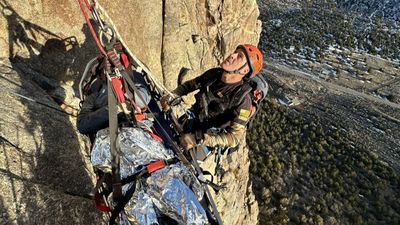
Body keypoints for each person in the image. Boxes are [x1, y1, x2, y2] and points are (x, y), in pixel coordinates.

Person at [162, 44, 263, 152]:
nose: (232, 55)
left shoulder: (243, 100)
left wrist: (201, 140)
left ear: (245, 70)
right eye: (235, 52)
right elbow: (189, 86)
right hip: (191, 119)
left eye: (239, 56)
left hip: (208, 137)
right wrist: (172, 96)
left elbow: (234, 138)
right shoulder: (214, 74)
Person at [77, 63, 151, 136]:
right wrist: (116, 108)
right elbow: (82, 125)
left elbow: (142, 98)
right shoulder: (95, 93)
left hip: (130, 121)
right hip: (118, 125)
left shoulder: (130, 77)